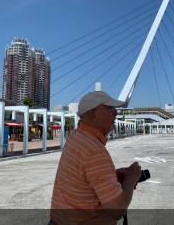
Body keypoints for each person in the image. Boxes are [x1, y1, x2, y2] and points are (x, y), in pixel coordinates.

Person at [50, 91, 141, 225]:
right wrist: (131, 179)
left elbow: (80, 179)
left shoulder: (76, 138)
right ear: (93, 114)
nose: (116, 113)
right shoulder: (95, 151)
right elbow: (116, 211)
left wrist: (112, 176)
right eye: (110, 108)